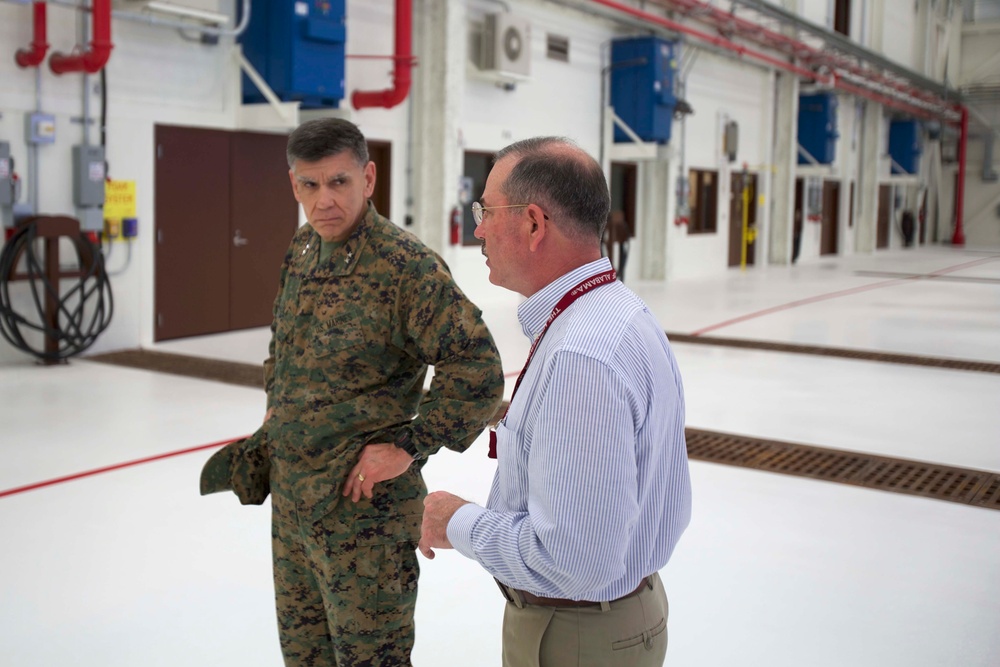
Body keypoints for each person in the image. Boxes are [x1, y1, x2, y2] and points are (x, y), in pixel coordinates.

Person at [200, 117, 504, 666]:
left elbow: (477, 370)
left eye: (338, 182)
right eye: (309, 185)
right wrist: (276, 410)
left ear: (368, 177)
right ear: (294, 185)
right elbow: (283, 341)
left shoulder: (404, 268)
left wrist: (410, 446)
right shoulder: (302, 250)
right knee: (304, 656)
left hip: (363, 519)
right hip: (294, 509)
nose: (324, 201)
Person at [418, 137, 692, 667]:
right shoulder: (621, 314)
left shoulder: (581, 358)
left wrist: (456, 521)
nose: (477, 229)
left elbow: (577, 561)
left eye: (486, 211)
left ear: (534, 223)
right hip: (616, 615)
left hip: (577, 635)